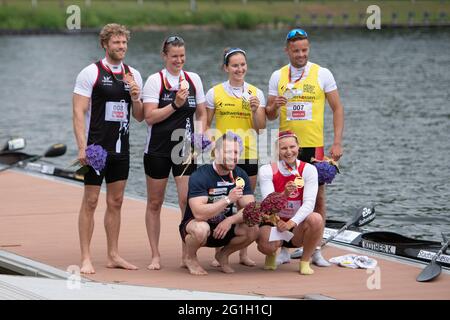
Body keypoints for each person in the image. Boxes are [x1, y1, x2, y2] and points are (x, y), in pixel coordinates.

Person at [265, 28, 344, 266]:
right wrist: (274, 107)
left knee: (318, 198)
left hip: (313, 146)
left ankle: (315, 248)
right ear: (287, 50)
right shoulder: (277, 76)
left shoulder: (323, 74)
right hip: (284, 146)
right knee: (282, 197)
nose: (301, 54)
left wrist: (337, 142)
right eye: (296, 50)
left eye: (305, 50)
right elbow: (269, 115)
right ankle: (286, 248)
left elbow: (337, 108)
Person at [73, 23, 144, 274]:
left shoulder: (133, 74)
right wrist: (82, 146)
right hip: (96, 149)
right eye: (116, 42)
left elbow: (139, 116)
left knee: (116, 201)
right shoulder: (90, 73)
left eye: (124, 42)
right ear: (105, 44)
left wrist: (136, 96)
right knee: (91, 201)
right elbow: (78, 112)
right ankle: (85, 258)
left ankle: (113, 254)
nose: (121, 46)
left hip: (120, 149)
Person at [142, 35, 207, 270]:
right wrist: (175, 105)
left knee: (186, 202)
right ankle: (155, 255)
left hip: (185, 149)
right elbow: (149, 117)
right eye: (174, 56)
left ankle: (186, 254)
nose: (179, 60)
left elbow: (201, 112)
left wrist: (202, 135)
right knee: (155, 203)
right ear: (165, 56)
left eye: (182, 56)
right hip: (157, 150)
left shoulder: (193, 79)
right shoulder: (154, 81)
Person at [205, 47, 266, 268]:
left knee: (245, 205)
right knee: (223, 203)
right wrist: (211, 146)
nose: (239, 69)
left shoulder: (256, 94)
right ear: (226, 68)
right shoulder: (214, 93)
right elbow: (206, 123)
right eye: (234, 65)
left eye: (242, 65)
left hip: (248, 155)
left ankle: (242, 253)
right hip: (223, 156)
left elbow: (260, 128)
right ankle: (219, 251)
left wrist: (255, 111)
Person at [179, 133, 259, 275]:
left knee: (253, 228)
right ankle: (190, 258)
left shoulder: (240, 175)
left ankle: (223, 255)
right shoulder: (200, 175)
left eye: (236, 152)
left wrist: (230, 220)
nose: (233, 156)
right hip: (196, 224)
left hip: (223, 226)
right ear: (216, 153)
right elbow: (198, 213)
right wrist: (228, 200)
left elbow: (250, 209)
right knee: (200, 229)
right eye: (228, 152)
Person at [258, 131, 323, 275]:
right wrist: (284, 195)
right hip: (274, 221)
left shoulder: (309, 170)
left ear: (298, 147)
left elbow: (309, 203)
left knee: (316, 219)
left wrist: (291, 223)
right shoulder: (266, 170)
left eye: (292, 147)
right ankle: (271, 254)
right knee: (264, 244)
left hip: (296, 226)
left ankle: (305, 261)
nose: (289, 152)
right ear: (277, 151)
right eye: (283, 148)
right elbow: (268, 204)